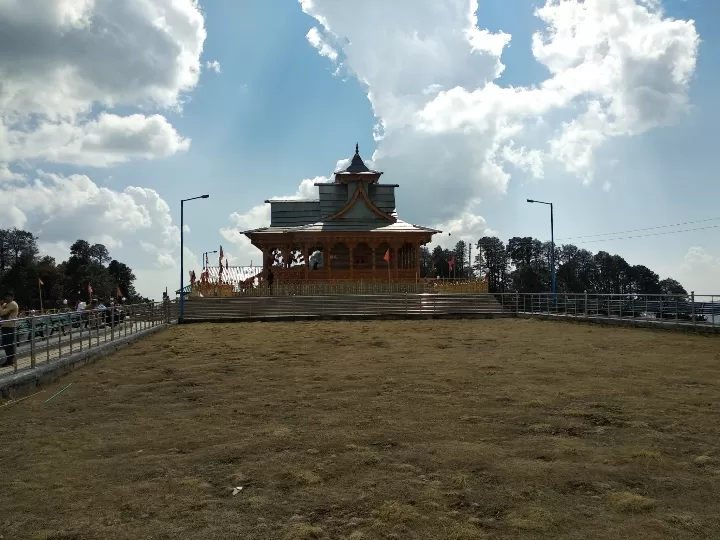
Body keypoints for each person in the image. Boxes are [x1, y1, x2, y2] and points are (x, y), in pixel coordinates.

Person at [0, 290, 19, 368]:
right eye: (6, 296)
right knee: (5, 344)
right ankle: (9, 360)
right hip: (5, 326)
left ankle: (11, 360)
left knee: (9, 344)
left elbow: (2, 313)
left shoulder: (13, 304)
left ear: (12, 297)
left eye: (9, 296)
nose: (7, 298)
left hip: (10, 326)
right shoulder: (6, 304)